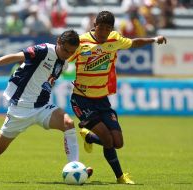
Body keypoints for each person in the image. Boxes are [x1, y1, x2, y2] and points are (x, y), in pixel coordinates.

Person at [0, 29, 92, 181]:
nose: (66, 54)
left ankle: (75, 167)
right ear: (58, 42)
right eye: (65, 50)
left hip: (42, 107)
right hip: (20, 109)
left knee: (68, 123)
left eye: (71, 52)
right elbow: (17, 56)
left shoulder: (63, 64)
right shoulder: (43, 50)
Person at [68, 11, 167, 184]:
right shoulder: (81, 42)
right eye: (101, 28)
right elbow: (61, 58)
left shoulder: (115, 39)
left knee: (118, 142)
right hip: (82, 99)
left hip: (102, 99)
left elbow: (134, 43)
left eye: (108, 28)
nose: (104, 32)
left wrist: (153, 39)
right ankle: (120, 177)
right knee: (107, 139)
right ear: (95, 25)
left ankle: (89, 136)